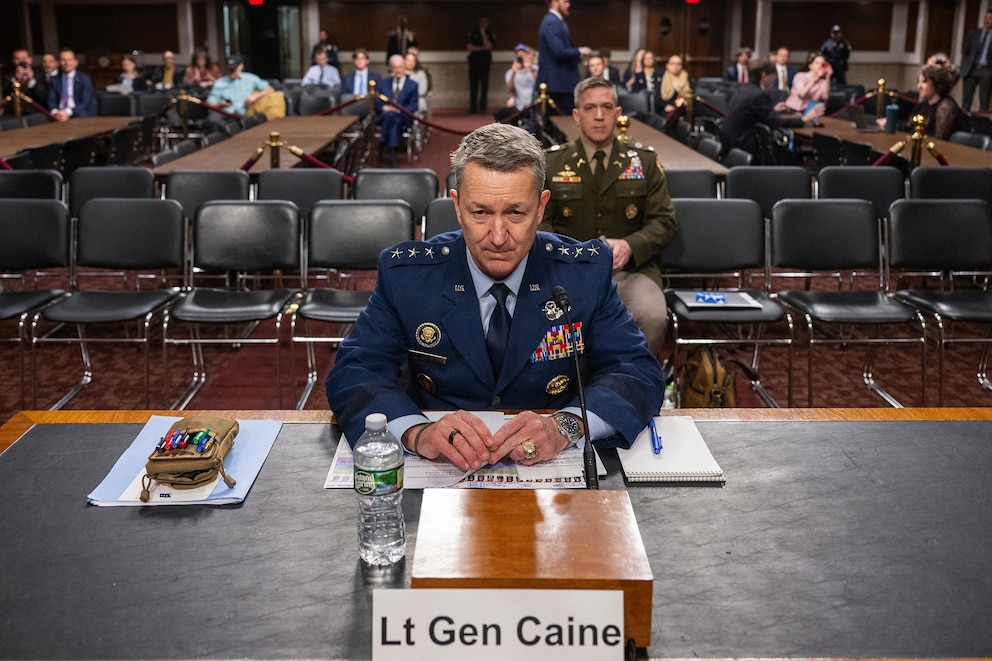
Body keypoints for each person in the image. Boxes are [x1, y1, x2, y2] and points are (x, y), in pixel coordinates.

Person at [326, 122, 665, 469]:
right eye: (481, 212)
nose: (499, 236)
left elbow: (636, 371)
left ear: (541, 207)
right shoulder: (409, 277)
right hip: (440, 468)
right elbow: (356, 371)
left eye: (516, 213)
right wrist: (416, 432)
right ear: (457, 206)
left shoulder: (582, 273)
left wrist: (566, 426)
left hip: (551, 469)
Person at [540, 77, 677, 356]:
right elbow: (538, 222)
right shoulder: (551, 164)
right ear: (576, 115)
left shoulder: (643, 162)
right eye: (590, 108)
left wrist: (630, 245)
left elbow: (664, 221)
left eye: (607, 107)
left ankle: (636, 379)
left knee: (652, 315)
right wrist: (571, 256)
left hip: (632, 271)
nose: (599, 116)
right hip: (567, 272)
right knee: (547, 322)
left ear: (618, 113)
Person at [720, 61, 823, 157]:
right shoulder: (759, 95)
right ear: (764, 75)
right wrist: (804, 119)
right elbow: (775, 122)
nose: (774, 79)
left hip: (729, 142)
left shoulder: (744, 89)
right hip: (743, 145)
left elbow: (754, 112)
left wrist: (772, 110)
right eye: (773, 75)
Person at [877, 65, 966, 140]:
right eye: (918, 82)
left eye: (924, 82)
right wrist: (890, 124)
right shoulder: (923, 104)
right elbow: (909, 128)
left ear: (936, 83)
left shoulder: (946, 106)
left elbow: (939, 139)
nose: (919, 86)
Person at [536, 0, 591, 113]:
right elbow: (559, 51)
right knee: (562, 120)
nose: (568, 5)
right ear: (555, 2)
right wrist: (580, 51)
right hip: (558, 84)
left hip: (559, 84)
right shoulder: (552, 22)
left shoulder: (556, 21)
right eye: (565, 1)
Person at [376, 54, 418, 167]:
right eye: (395, 67)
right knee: (391, 117)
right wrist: (386, 108)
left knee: (392, 117)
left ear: (404, 67)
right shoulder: (383, 83)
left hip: (403, 117)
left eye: (400, 67)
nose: (398, 70)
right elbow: (377, 103)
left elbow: (414, 105)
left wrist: (399, 109)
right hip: (384, 116)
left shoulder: (413, 85)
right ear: (391, 69)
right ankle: (393, 156)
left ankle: (382, 144)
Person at [206, 55, 274, 117]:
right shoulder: (219, 83)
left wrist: (255, 95)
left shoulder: (250, 79)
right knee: (213, 118)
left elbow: (270, 89)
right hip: (226, 114)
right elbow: (210, 104)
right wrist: (220, 105)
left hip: (244, 115)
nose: (231, 72)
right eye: (230, 69)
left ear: (241, 66)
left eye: (234, 69)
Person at [47, 47, 95, 120]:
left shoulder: (85, 79)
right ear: (59, 62)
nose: (67, 63)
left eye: (69, 60)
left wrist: (67, 112)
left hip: (78, 114)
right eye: (63, 60)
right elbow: (51, 101)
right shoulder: (54, 80)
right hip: (59, 115)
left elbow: (85, 103)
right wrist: (55, 113)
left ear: (75, 62)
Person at [495, 43, 538, 124]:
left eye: (523, 56)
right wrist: (514, 73)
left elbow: (541, 84)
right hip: (518, 108)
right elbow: (508, 90)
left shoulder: (535, 69)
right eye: (519, 56)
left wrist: (531, 68)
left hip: (533, 107)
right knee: (499, 113)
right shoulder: (511, 72)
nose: (521, 58)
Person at [960, 10, 992, 112]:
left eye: (990, 18)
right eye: (986, 18)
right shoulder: (974, 34)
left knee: (984, 101)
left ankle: (982, 120)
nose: (987, 21)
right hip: (971, 69)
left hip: (987, 70)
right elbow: (965, 51)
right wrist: (964, 65)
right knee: (966, 101)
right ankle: (965, 118)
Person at [3, 48, 48, 115]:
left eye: (24, 58)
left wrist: (31, 80)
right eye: (17, 59)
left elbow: (42, 97)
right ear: (13, 61)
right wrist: (15, 80)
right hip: (14, 113)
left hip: (36, 112)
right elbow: (6, 97)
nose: (21, 61)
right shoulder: (8, 77)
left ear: (30, 59)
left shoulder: (40, 75)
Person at [466, 16, 494, 114]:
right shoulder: (473, 32)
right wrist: (482, 48)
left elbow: (488, 46)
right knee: (473, 86)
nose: (484, 24)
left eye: (485, 22)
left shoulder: (490, 33)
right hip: (474, 62)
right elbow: (470, 47)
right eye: (482, 21)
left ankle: (482, 107)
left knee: (484, 85)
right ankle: (473, 107)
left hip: (485, 63)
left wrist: (483, 34)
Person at [404, 48, 430, 114]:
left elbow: (422, 91)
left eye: (413, 61)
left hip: (416, 102)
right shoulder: (399, 73)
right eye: (408, 60)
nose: (410, 63)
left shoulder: (421, 73)